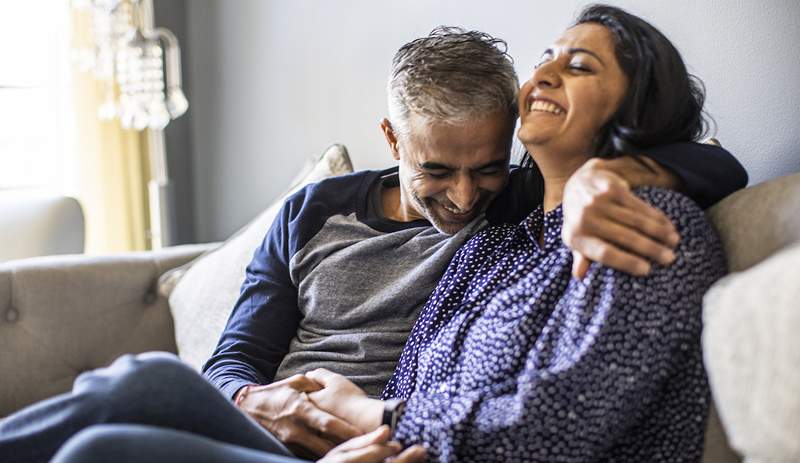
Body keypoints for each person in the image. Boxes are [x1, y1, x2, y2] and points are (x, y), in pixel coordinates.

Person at [0, 19, 744, 463]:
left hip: (378, 434)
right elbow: (236, 356)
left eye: (485, 168)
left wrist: (608, 173)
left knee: (106, 447)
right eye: (436, 170)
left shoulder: (535, 213)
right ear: (391, 139)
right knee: (146, 380)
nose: (461, 198)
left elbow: (717, 165)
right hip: (323, 427)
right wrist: (260, 400)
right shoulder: (332, 216)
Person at [280, 5, 729, 462]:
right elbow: (407, 383)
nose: (546, 74)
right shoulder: (494, 241)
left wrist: (373, 417)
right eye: (545, 61)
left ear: (640, 106)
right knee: (200, 408)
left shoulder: (647, 224)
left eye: (577, 66)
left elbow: (558, 428)